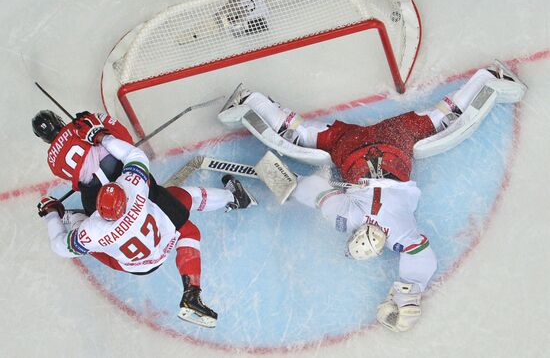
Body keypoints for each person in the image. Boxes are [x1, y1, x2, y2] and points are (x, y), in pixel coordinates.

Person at [216, 60, 527, 332]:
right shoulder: (347, 217)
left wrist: (408, 294)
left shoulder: (397, 231)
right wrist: (288, 181)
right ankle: (252, 99)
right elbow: (312, 190)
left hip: (392, 143)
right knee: (304, 133)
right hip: (353, 148)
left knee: (440, 117)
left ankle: (490, 75)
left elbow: (421, 257)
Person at [37, 124, 255, 328]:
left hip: (133, 265)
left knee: (79, 234)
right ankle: (233, 198)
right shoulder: (133, 188)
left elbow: (59, 246)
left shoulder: (92, 229)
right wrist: (104, 137)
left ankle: (71, 218)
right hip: (160, 239)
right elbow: (134, 155)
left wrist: (52, 214)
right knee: (187, 210)